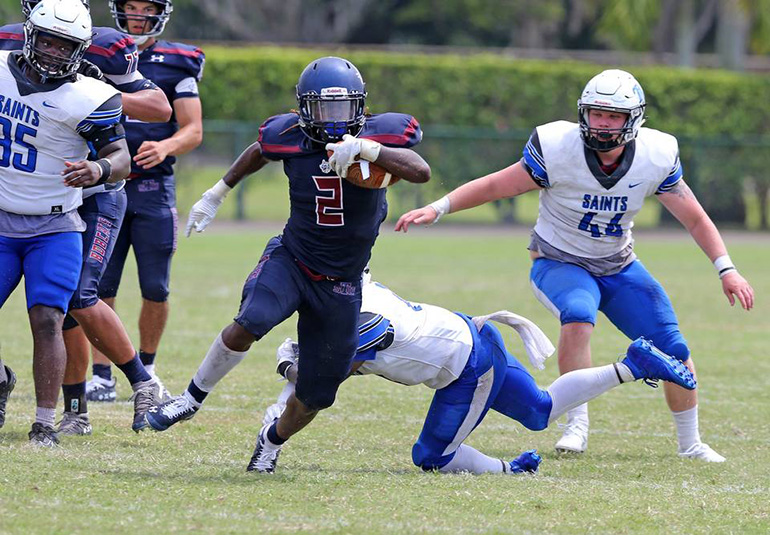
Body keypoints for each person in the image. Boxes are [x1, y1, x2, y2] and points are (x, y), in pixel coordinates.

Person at [395, 69, 754, 462]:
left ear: (633, 119)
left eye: (613, 116)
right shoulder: (556, 146)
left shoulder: (657, 154)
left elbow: (695, 218)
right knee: (579, 315)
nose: (602, 123)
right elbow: (498, 185)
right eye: (596, 113)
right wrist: (439, 206)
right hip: (558, 260)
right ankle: (576, 423)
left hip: (619, 264)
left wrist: (727, 268)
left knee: (674, 346)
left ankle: (691, 443)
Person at [144, 56, 430, 472]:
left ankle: (271, 440)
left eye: (342, 109)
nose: (333, 121)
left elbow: (420, 172)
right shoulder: (289, 134)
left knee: (317, 395)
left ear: (360, 106)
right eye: (323, 109)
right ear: (303, 108)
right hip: (293, 258)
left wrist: (370, 149)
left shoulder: (379, 135)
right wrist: (218, 191)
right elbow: (261, 150)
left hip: (344, 281)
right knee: (250, 320)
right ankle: (188, 400)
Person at [148, 271, 696, 474]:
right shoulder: (350, 293)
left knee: (429, 458)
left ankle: (507, 470)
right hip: (468, 333)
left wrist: (288, 376)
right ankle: (633, 365)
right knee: (541, 412)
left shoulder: (361, 319)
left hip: (467, 366)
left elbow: (326, 376)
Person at [0, 0, 173, 435]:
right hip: (23, 194)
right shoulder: (6, 50)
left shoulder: (103, 56)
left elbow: (159, 108)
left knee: (74, 297)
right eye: (48, 41)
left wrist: (105, 96)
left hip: (93, 193)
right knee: (64, 306)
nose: (55, 52)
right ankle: (76, 409)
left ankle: (142, 383)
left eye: (66, 45)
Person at [91, 0, 203, 401]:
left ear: (161, 13)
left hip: (153, 190)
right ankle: (101, 373)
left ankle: (148, 368)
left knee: (155, 286)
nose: (137, 15)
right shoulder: (97, 49)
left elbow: (193, 129)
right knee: (99, 285)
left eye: (146, 7)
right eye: (130, 6)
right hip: (104, 187)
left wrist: (166, 146)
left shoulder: (178, 61)